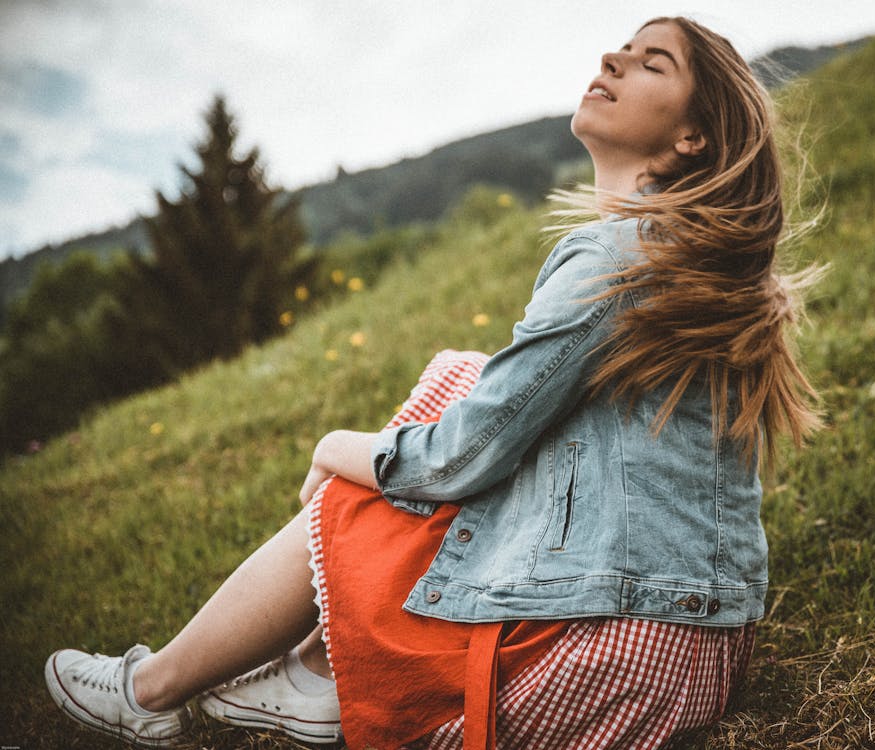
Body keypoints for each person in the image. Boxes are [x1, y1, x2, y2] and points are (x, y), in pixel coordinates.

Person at [44, 15, 823, 749]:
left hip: (615, 653)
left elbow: (460, 459)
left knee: (367, 483)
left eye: (653, 62)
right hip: (697, 651)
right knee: (459, 381)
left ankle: (152, 691)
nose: (612, 61)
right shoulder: (683, 261)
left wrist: (336, 447)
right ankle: (319, 671)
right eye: (620, 48)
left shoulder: (621, 258)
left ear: (694, 137)